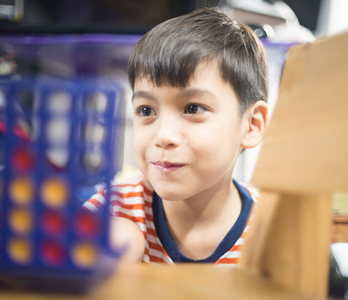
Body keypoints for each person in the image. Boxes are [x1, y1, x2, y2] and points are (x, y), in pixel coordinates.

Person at [83, 6, 268, 264]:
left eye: (193, 108)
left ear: (251, 125)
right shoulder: (111, 210)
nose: (164, 135)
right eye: (146, 110)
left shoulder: (271, 232)